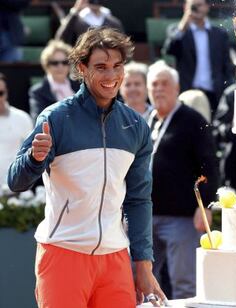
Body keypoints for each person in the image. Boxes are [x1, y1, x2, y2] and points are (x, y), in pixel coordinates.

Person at [7, 27, 166, 308]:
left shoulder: (135, 125)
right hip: (62, 254)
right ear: (82, 68)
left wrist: (143, 264)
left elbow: (139, 199)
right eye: (101, 67)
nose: (111, 76)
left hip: (116, 257)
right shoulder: (56, 118)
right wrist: (34, 158)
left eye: (117, 66)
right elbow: (16, 181)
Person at [147, 61, 219, 299]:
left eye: (164, 84)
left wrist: (205, 205)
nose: (159, 89)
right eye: (154, 84)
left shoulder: (193, 120)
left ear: (177, 88)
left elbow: (209, 165)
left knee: (185, 285)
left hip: (182, 219)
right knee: (142, 284)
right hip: (145, 216)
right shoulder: (148, 121)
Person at [163, 0, 234, 116]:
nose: (196, 9)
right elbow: (169, 49)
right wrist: (183, 26)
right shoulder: (178, 31)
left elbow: (227, 65)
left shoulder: (219, 34)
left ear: (207, 7)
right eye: (193, 6)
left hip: (214, 93)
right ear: (186, 7)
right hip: (188, 91)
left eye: (199, 5)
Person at [29, 40, 80, 121]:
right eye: (55, 63)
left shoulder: (79, 86)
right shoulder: (38, 92)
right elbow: (39, 120)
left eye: (64, 62)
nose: (60, 66)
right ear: (47, 65)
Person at [0, 73, 32, 184]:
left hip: (15, 189)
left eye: (0, 93)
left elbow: (31, 153)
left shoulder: (22, 118)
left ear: (6, 92)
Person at [55, 0, 124, 46]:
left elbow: (122, 43)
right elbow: (61, 37)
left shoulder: (113, 22)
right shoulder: (77, 19)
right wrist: (75, 11)